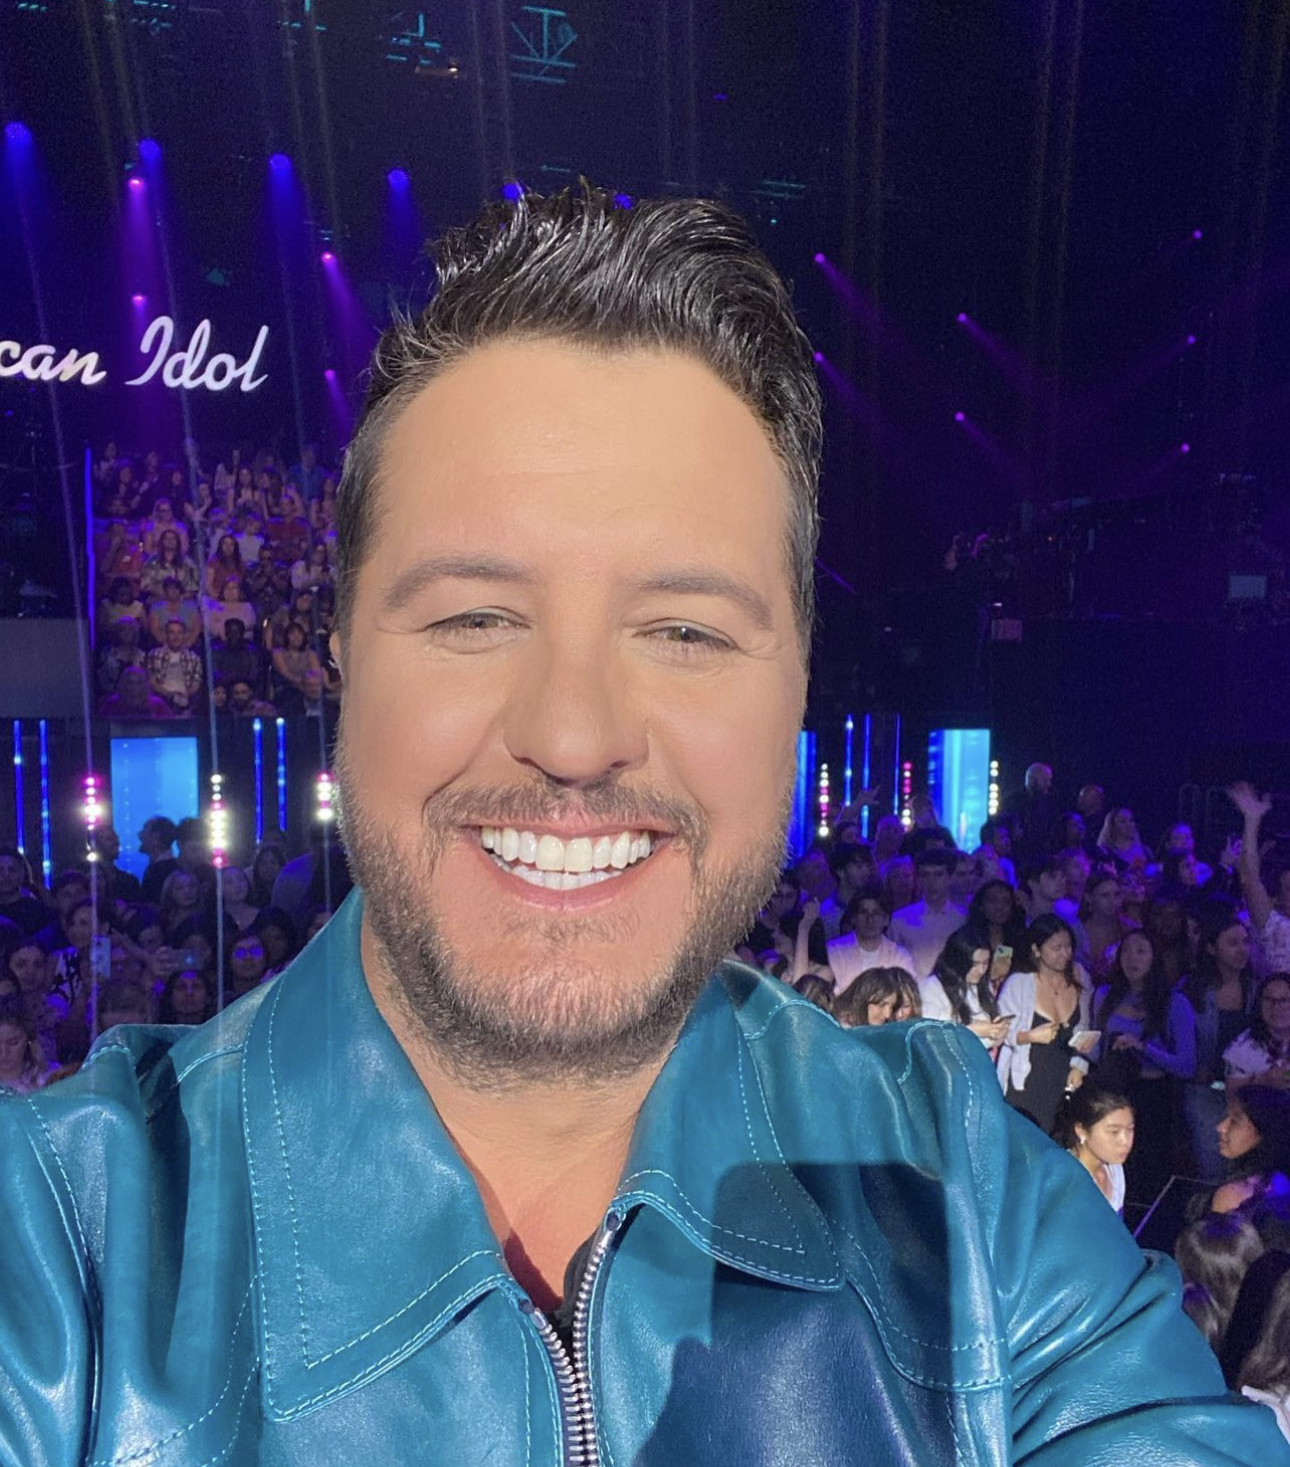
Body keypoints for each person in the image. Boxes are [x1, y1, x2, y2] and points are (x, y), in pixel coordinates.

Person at [0, 184, 1280, 1466]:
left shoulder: (971, 1199)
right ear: (339, 654)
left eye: (684, 631)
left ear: (798, 685)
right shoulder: (63, 1250)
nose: (572, 733)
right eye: (474, 618)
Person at [1091, 928, 1196, 1207]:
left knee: (1149, 1176)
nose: (1132, 958)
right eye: (1126, 950)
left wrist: (1142, 1047)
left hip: (1154, 1098)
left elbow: (1187, 1064)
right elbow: (1097, 1050)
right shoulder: (1104, 995)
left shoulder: (1174, 1002)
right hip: (1113, 1093)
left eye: (1141, 951)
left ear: (1154, 958)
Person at [996, 914, 1096, 1135]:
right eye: (1056, 948)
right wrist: (1030, 1036)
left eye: (1068, 947)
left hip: (1064, 1082)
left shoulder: (1080, 978)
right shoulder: (1019, 984)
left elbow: (1084, 1029)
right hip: (1027, 1082)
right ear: (1036, 950)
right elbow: (1002, 1031)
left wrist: (1080, 1065)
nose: (1065, 954)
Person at [1230, 783, 1290, 978]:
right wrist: (1251, 821)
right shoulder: (1281, 933)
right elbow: (1250, 881)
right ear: (1278, 900)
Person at [918, 929, 1010, 1048]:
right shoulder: (931, 988)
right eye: (975, 964)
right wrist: (970, 1030)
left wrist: (997, 1033)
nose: (981, 970)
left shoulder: (978, 985)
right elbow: (929, 1036)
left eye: (985, 963)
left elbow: (986, 1041)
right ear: (959, 960)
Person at [888, 846, 966, 979]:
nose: (932, 882)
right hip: (912, 988)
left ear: (950, 878)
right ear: (918, 879)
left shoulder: (963, 919)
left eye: (938, 874)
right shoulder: (900, 919)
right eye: (925, 875)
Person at [1212, 1085, 1290, 1217]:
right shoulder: (1279, 1182)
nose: (1220, 1127)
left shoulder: (1234, 1198)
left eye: (1235, 1122)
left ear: (1265, 1132)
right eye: (1226, 1116)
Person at [824, 882, 914, 995]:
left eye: (876, 913)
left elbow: (907, 995)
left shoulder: (900, 956)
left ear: (886, 919)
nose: (870, 919)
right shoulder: (833, 951)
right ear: (853, 918)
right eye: (863, 912)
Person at [1060, 1083, 1135, 1215]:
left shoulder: (1114, 1169)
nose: (1125, 1141)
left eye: (1130, 1129)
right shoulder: (1063, 1181)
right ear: (1081, 1131)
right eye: (1114, 1132)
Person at [1225, 973, 1290, 1090]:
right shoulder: (1241, 1048)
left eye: (1284, 1000)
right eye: (1268, 999)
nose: (1276, 1006)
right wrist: (1262, 1081)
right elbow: (1232, 1096)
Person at [832, 965, 904, 1028]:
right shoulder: (839, 1029)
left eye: (892, 1007)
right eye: (881, 1005)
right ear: (862, 1000)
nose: (887, 1014)